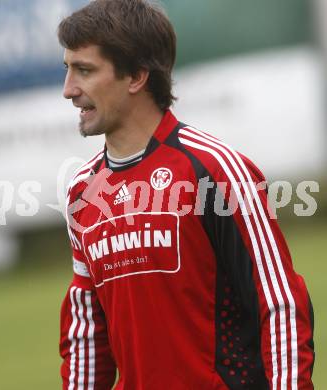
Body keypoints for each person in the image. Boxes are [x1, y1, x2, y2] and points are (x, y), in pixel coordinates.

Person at [57, 0, 314, 389]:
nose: (68, 90)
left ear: (136, 76)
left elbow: (280, 304)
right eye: (68, 69)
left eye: (85, 71)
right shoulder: (83, 191)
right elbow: (86, 332)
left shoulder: (214, 170)